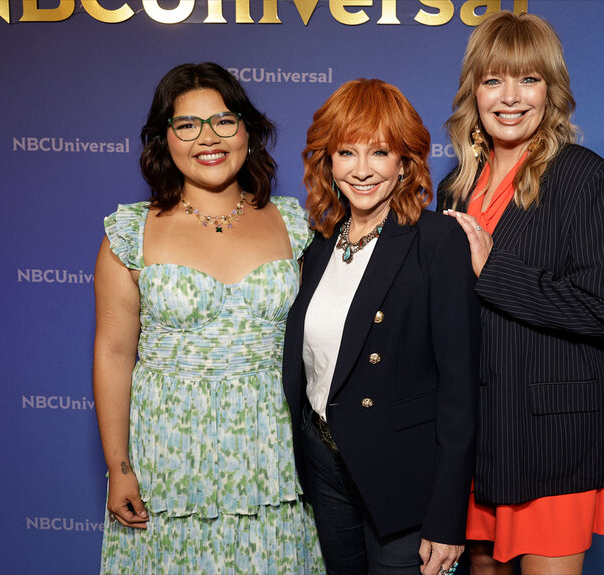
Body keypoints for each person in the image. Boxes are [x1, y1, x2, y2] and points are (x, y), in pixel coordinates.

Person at [93, 62, 323, 574]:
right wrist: (119, 467)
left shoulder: (294, 223)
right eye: (186, 125)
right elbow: (113, 355)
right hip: (166, 461)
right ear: (164, 140)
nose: (207, 138)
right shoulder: (130, 233)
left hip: (273, 457)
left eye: (223, 121)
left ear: (248, 129)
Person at [437, 12, 604, 575]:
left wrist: (493, 267)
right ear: (474, 91)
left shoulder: (585, 177)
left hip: (551, 437)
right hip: (474, 431)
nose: (510, 97)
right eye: (494, 80)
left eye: (529, 79)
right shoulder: (456, 186)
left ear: (552, 90)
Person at [282, 78, 479, 575]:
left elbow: (460, 388)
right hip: (325, 466)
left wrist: (448, 517)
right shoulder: (319, 243)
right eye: (346, 152)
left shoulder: (437, 241)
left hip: (404, 477)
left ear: (406, 161)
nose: (362, 170)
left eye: (380, 152)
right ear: (327, 162)